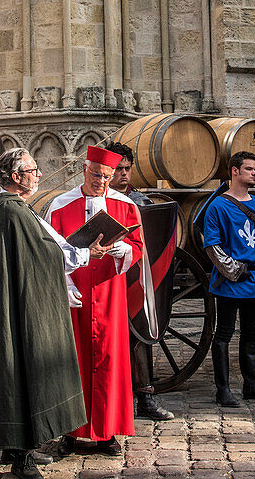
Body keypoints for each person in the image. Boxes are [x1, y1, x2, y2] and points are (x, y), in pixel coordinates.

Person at [0, 148, 88, 479]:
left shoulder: (7, 210)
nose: (39, 175)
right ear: (16, 176)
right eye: (33, 169)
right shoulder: (14, 213)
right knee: (23, 372)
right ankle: (21, 459)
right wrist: (82, 254)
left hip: (15, 300)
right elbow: (44, 255)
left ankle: (14, 447)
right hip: (24, 307)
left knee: (14, 369)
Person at [46, 145, 145, 455]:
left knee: (109, 360)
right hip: (75, 293)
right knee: (71, 362)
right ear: (83, 171)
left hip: (109, 294)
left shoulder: (125, 205)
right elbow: (49, 249)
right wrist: (62, 283)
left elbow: (137, 244)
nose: (101, 182)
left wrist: (125, 251)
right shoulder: (61, 206)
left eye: (106, 176)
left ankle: (106, 432)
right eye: (95, 175)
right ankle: (70, 432)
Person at [201, 151, 255, 406]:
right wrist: (234, 270)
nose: (254, 173)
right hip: (229, 282)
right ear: (235, 171)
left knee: (249, 334)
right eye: (249, 169)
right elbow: (212, 246)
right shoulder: (218, 206)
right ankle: (222, 389)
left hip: (254, 281)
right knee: (223, 334)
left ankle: (252, 385)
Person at [106, 141, 174, 422]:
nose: (123, 173)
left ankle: (145, 399)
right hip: (107, 280)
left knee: (141, 338)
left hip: (137, 279)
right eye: (117, 169)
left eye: (126, 168)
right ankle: (110, 400)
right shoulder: (101, 202)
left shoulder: (143, 203)